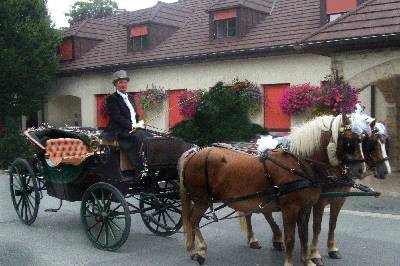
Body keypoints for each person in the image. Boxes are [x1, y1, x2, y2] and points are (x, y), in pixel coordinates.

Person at [101, 70, 150, 176]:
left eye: (125, 82)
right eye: (120, 82)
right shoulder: (112, 99)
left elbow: (134, 114)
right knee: (139, 137)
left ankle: (150, 164)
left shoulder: (131, 98)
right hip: (119, 130)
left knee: (149, 135)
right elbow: (117, 117)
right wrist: (132, 126)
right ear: (116, 84)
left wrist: (139, 123)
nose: (123, 85)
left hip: (133, 128)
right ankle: (139, 168)